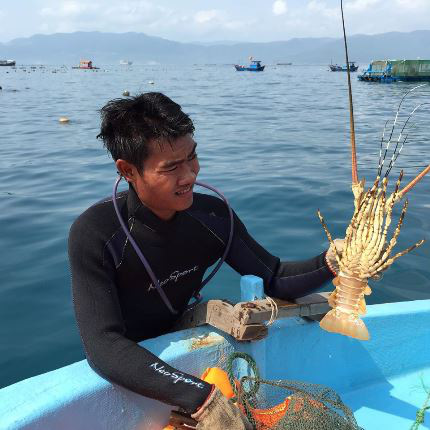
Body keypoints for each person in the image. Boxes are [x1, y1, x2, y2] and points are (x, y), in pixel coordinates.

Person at [68, 92, 338, 429]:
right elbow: (103, 345)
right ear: (128, 170)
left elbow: (276, 278)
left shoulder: (212, 217)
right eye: (171, 168)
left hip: (182, 343)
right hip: (131, 370)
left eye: (192, 158)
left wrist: (335, 262)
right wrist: (202, 398)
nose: (189, 176)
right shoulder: (96, 233)